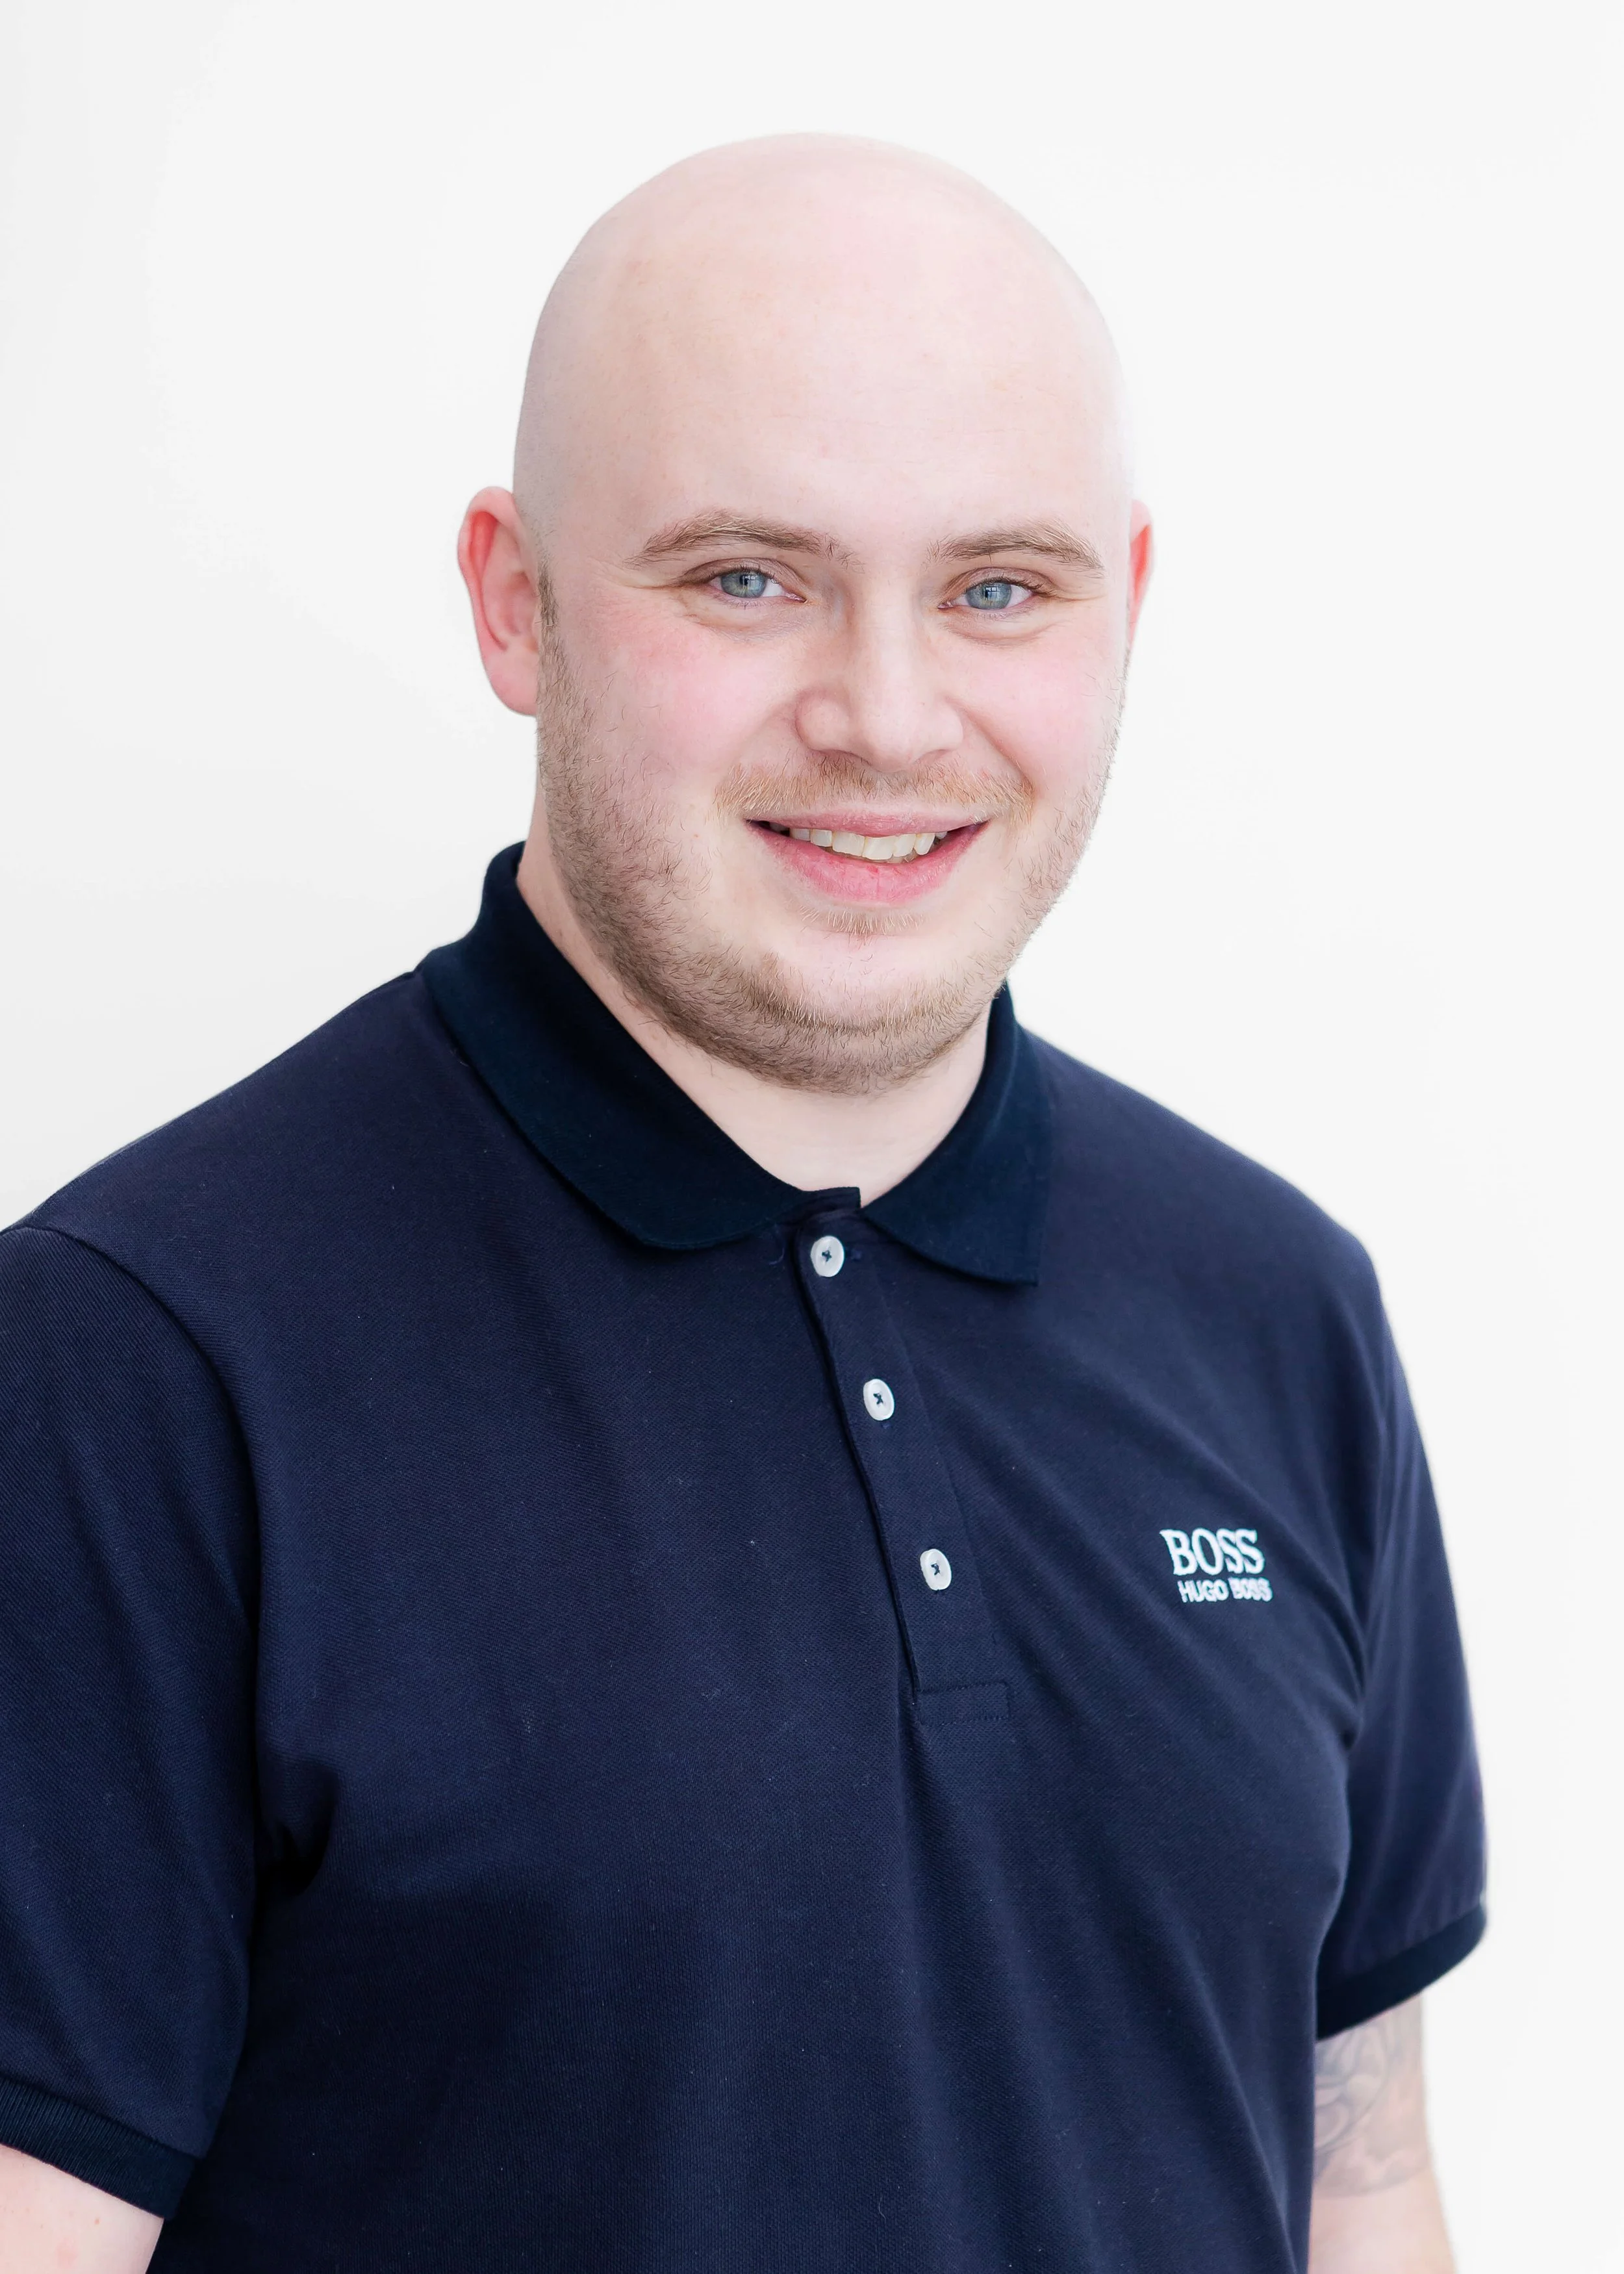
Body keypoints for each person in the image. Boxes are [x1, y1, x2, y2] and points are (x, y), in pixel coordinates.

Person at [0, 136, 1484, 2273]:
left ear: (1122, 605)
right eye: (742, 576)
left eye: (996, 588)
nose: (885, 717)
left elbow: (1357, 2174)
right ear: (514, 602)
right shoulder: (141, 1356)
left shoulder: (1275, 1306)